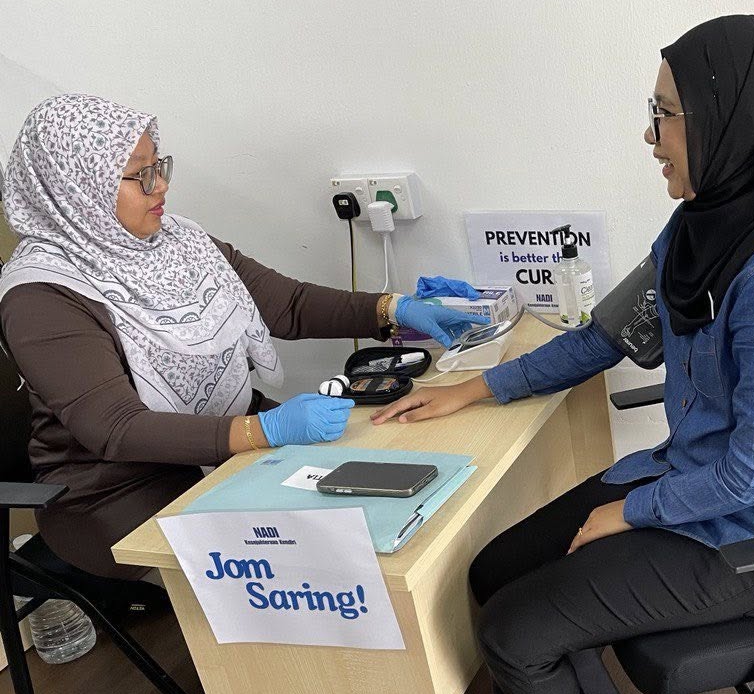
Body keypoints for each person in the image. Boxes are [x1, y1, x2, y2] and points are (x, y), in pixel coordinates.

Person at [371, 15, 754, 694]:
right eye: (655, 110)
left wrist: (629, 513)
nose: (650, 135)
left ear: (733, 121)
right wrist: (478, 387)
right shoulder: (699, 228)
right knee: (494, 572)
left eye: (667, 113)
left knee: (515, 629)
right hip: (693, 482)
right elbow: (606, 336)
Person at [0, 94, 486, 580]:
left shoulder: (179, 242)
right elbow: (116, 429)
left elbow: (288, 305)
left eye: (159, 165)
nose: (160, 185)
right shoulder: (41, 294)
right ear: (77, 189)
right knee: (310, 561)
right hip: (119, 493)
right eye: (139, 174)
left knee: (389, 496)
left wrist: (395, 308)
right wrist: (263, 431)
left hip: (230, 441)